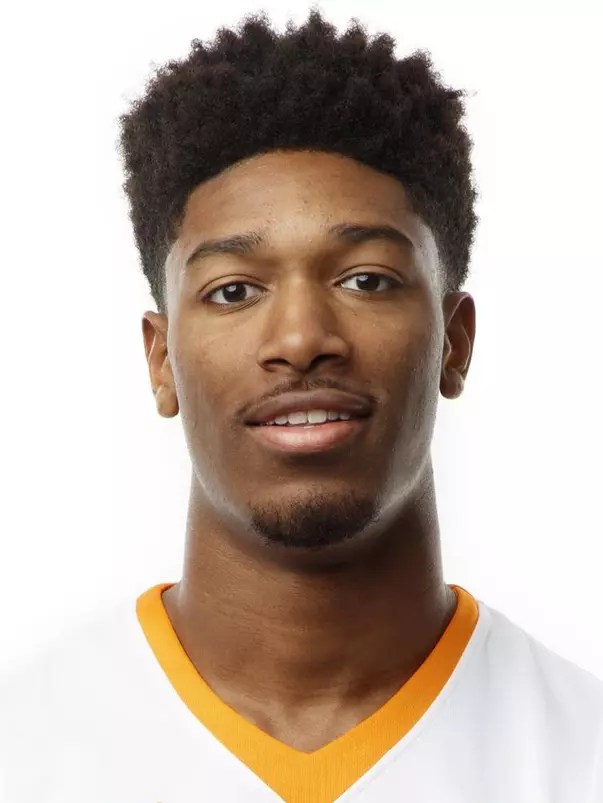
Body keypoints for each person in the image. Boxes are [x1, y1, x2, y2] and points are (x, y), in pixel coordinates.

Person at [1, 8, 602, 802]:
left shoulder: (582, 756)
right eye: (233, 290)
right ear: (161, 358)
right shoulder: (23, 753)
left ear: (454, 341)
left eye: (366, 279)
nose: (300, 338)